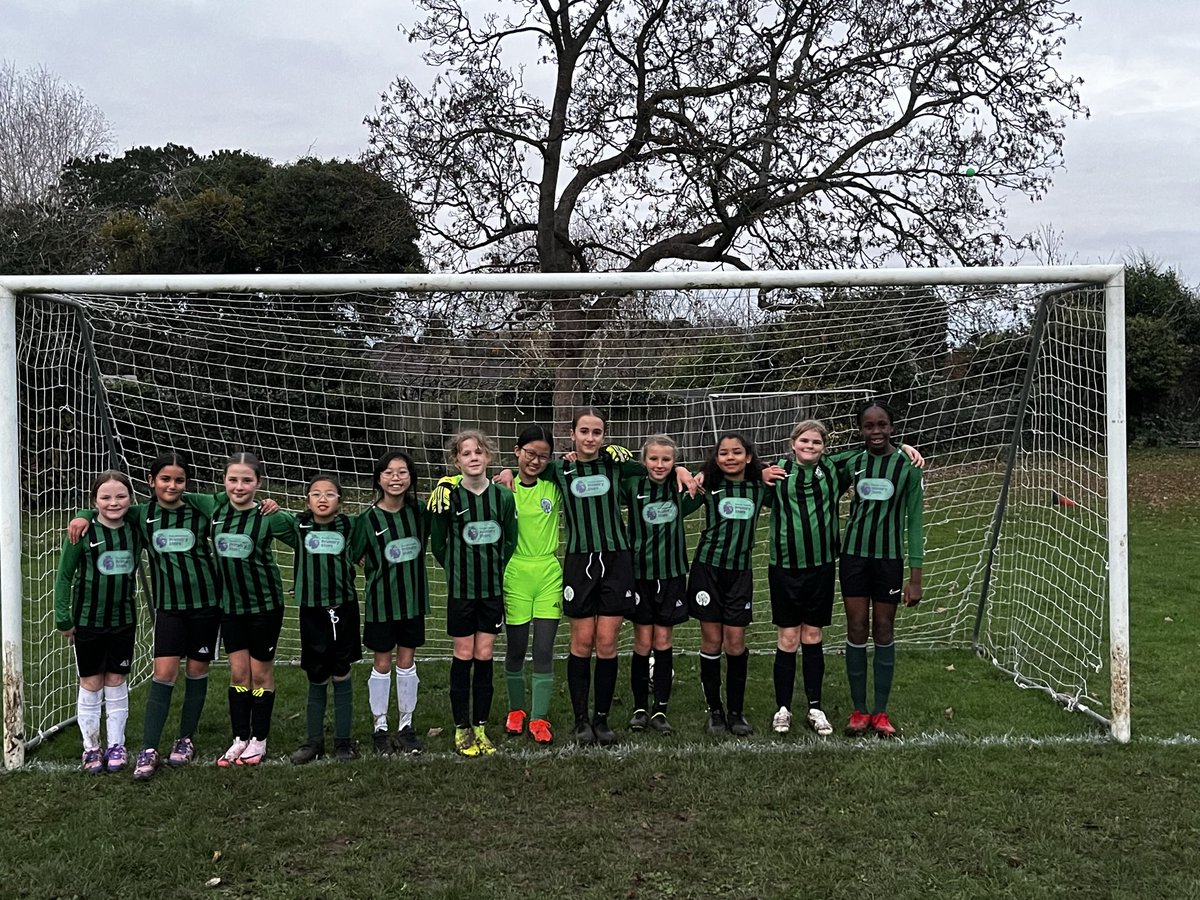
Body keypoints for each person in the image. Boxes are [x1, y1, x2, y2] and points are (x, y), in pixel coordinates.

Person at [497, 408, 694, 746]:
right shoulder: (559, 469)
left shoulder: (617, 465)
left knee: (606, 643)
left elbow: (656, 468)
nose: (590, 438)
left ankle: (601, 719)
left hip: (617, 561)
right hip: (580, 562)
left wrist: (681, 468)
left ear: (604, 436)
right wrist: (504, 472)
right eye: (584, 431)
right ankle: (581, 720)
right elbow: (527, 469)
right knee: (581, 643)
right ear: (572, 434)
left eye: (597, 432)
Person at [67, 453, 242, 780]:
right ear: (151, 481)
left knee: (196, 670)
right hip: (169, 608)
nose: (172, 485)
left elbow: (233, 499)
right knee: (163, 673)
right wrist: (83, 514)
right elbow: (109, 507)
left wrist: (267, 504)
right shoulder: (142, 514)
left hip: (206, 606)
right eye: (165, 479)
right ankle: (148, 748)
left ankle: (185, 739)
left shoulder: (200, 509)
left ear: (186, 483)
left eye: (179, 480)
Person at [194, 452, 294, 767]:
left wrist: (304, 580)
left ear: (258, 483)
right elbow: (168, 496)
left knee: (260, 673)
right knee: (238, 673)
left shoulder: (269, 516)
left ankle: (259, 739)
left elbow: (307, 537)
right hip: (230, 607)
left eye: (247, 480)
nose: (239, 486)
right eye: (233, 479)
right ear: (223, 482)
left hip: (265, 606)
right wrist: (86, 514)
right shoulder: (214, 508)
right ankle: (240, 737)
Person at [689, 433, 785, 736]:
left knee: (735, 642)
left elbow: (792, 483)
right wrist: (684, 472)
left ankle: (735, 712)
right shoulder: (708, 486)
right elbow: (678, 497)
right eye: (723, 453)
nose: (730, 457)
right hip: (708, 569)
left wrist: (764, 471)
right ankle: (715, 712)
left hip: (740, 573)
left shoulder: (759, 488)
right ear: (716, 458)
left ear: (748, 456)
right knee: (711, 640)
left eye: (737, 452)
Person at [429, 431, 518, 756]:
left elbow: (510, 540)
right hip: (462, 591)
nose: (473, 457)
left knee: (484, 654)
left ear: (488, 456)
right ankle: (461, 727)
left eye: (478, 452)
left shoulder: (503, 497)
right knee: (464, 654)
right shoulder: (448, 498)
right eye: (466, 453)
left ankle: (480, 726)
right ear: (457, 461)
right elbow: (439, 544)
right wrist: (456, 568)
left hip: (490, 591)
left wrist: (493, 567)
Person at [840, 400, 925, 738]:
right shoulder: (852, 462)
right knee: (857, 627)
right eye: (869, 426)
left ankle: (880, 712)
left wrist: (915, 578)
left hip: (889, 560)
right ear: (860, 429)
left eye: (882, 425)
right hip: (853, 558)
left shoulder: (908, 466)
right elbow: (816, 468)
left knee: (884, 629)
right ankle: (859, 710)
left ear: (892, 426)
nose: (876, 431)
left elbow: (915, 522)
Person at [56, 471, 140, 774]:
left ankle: (117, 745)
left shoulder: (136, 528)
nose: (113, 503)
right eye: (105, 497)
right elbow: (64, 576)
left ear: (131, 499)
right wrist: (63, 617)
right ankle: (91, 747)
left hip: (123, 620)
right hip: (88, 622)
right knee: (91, 682)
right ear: (94, 501)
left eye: (120, 496)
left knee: (116, 680)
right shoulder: (82, 532)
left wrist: (85, 512)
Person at [351, 450, 428, 756]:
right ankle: (380, 727)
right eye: (389, 473)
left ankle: (406, 726)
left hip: (412, 601)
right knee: (382, 663)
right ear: (379, 479)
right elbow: (354, 553)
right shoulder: (367, 519)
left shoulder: (420, 512)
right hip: (381, 603)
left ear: (411, 477)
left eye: (402, 472)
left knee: (406, 662)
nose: (396, 478)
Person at [622, 435, 696, 735]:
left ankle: (660, 710)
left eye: (667, 459)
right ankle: (640, 708)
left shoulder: (681, 487)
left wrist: (684, 471)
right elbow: (616, 470)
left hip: (672, 575)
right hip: (640, 575)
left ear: (674, 461)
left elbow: (711, 476)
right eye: (653, 458)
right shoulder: (632, 486)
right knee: (642, 642)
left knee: (663, 640)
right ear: (644, 461)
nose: (660, 464)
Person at [287, 474, 361, 764]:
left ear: (340, 501)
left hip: (344, 608)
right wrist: (268, 504)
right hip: (312, 610)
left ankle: (343, 742)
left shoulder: (351, 526)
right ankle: (313, 742)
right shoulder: (298, 526)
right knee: (316, 674)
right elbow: (268, 517)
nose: (322, 499)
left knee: (341, 671)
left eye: (330, 494)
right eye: (316, 494)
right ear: (307, 501)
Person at [500, 426, 562, 745]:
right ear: (517, 451)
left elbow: (572, 466)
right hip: (516, 574)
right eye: (530, 453)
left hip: (548, 574)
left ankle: (538, 717)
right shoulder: (503, 488)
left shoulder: (554, 486)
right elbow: (466, 478)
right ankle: (516, 710)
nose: (535, 461)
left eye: (543, 456)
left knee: (543, 649)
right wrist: (505, 473)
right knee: (516, 648)